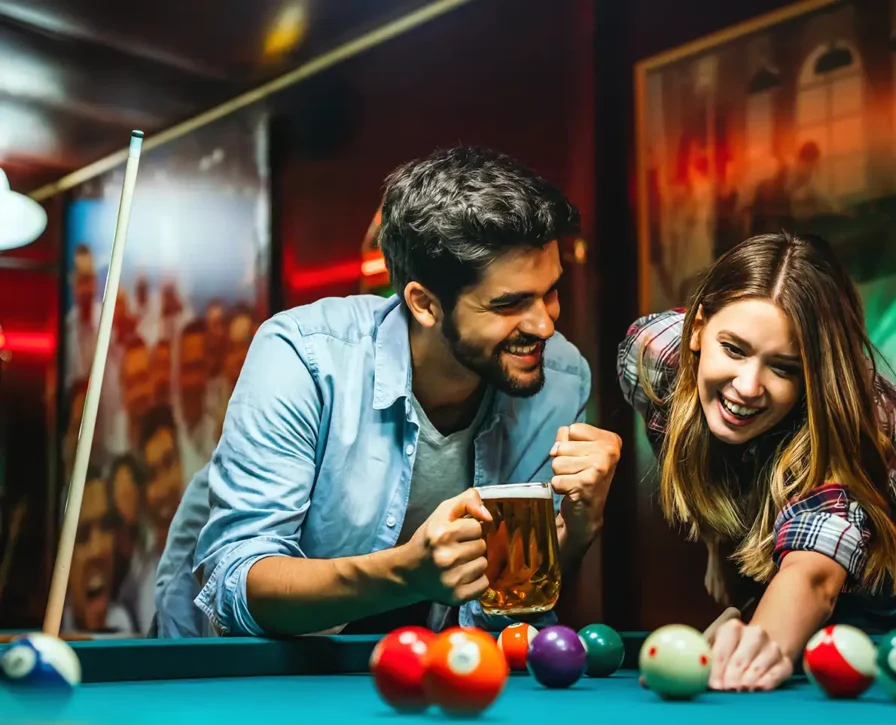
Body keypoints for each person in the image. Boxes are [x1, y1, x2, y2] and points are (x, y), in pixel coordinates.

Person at [154, 146, 620, 638]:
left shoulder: (560, 378)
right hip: (226, 667)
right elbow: (236, 585)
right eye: (510, 304)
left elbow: (508, 602)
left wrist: (579, 527)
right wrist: (407, 573)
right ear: (424, 304)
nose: (545, 324)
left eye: (550, 291)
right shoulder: (304, 356)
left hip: (420, 662)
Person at [617, 231, 896, 692]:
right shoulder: (652, 355)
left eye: (784, 367)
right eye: (734, 349)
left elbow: (813, 578)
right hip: (847, 572)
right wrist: (717, 543)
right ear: (697, 329)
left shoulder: (845, 429)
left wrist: (750, 648)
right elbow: (702, 456)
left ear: (812, 373)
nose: (748, 386)